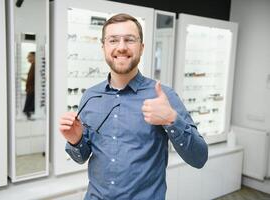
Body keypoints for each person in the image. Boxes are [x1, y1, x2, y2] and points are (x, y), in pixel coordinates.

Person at [59, 13, 208, 200]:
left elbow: (199, 158)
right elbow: (81, 157)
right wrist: (75, 140)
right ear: (103, 47)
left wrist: (172, 120)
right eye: (113, 40)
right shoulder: (91, 97)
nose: (121, 47)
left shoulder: (163, 96)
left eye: (129, 40)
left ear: (142, 47)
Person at [23, 51, 35, 119]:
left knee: (28, 108)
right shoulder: (33, 65)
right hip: (30, 90)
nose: (27, 58)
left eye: (29, 56)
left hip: (32, 90)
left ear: (34, 56)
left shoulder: (35, 65)